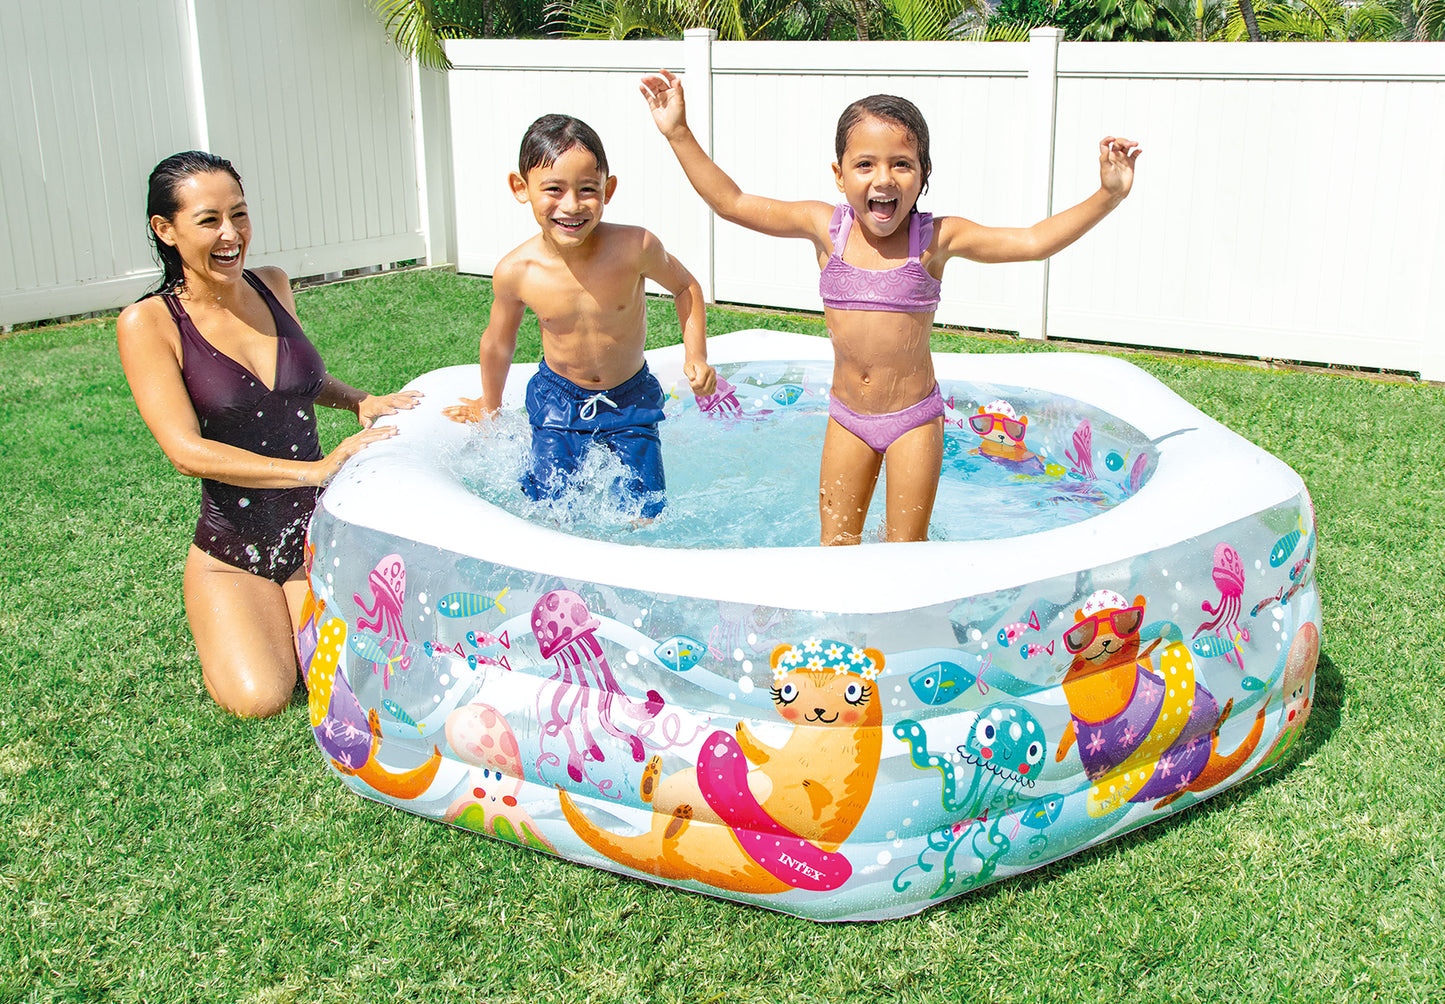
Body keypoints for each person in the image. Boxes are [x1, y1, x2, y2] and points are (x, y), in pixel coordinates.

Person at [640, 70, 1141, 545]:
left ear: (923, 175)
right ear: (839, 175)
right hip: (847, 419)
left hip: (914, 421)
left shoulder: (935, 239)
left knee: (906, 550)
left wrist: (1107, 194)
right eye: (865, 164)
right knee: (836, 546)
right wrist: (678, 132)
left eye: (902, 164)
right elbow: (731, 202)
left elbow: (1032, 241)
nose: (884, 178)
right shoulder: (827, 230)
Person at [116, 151, 420, 718]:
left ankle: (290, 612)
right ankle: (240, 617)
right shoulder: (150, 323)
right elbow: (185, 452)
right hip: (232, 554)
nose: (231, 235)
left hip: (316, 538)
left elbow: (298, 381)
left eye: (239, 214)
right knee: (261, 698)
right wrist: (315, 471)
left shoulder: (273, 285)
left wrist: (359, 400)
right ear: (165, 229)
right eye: (209, 220)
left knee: (363, 683)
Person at [444, 114, 715, 521]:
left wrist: (697, 356)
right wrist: (491, 406)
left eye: (588, 190)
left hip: (630, 397)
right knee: (549, 510)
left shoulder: (635, 247)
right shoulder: (517, 271)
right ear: (521, 188)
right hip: (558, 399)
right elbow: (498, 343)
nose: (571, 205)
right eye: (554, 189)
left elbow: (685, 286)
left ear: (609, 189)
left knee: (645, 515)